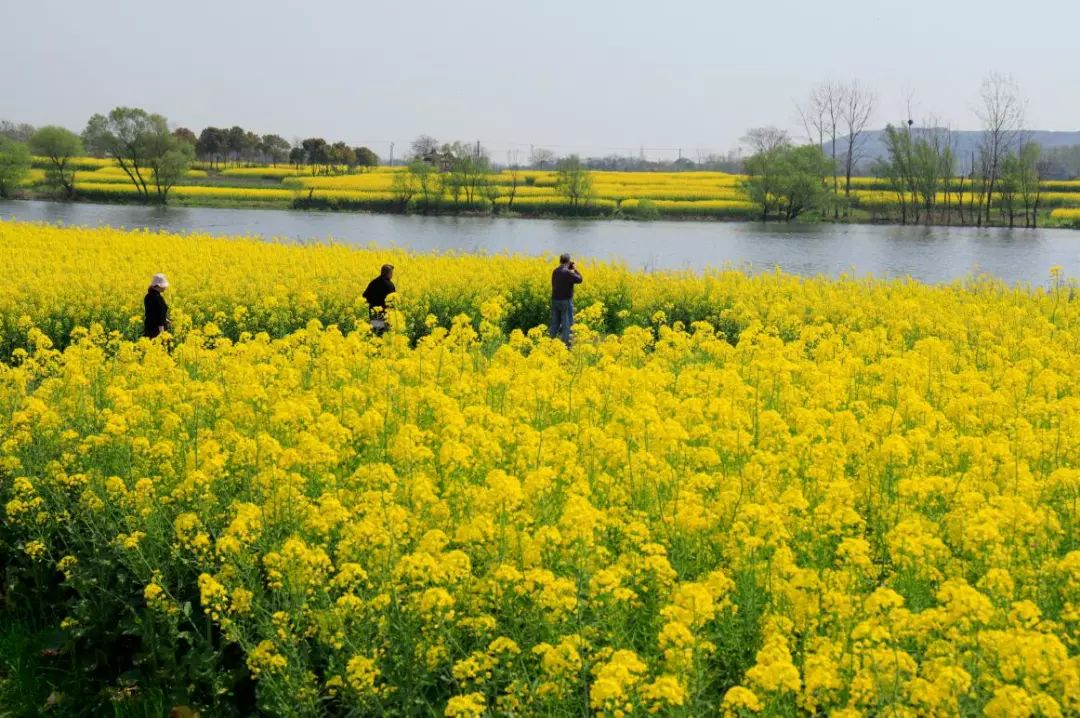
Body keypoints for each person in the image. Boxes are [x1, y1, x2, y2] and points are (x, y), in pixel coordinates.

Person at [550, 253, 582, 346]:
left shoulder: (555, 271)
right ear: (568, 262)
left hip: (555, 300)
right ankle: (566, 346)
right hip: (565, 301)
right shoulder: (567, 273)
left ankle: (549, 343)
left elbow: (553, 284)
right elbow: (580, 279)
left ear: (560, 261)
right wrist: (575, 269)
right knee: (567, 324)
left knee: (555, 323)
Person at [362, 264, 396, 334]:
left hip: (375, 314)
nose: (392, 275)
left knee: (377, 334)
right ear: (388, 273)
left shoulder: (373, 282)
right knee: (385, 336)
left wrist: (372, 302)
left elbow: (364, 296)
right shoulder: (390, 285)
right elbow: (393, 300)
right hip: (386, 316)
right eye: (391, 273)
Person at [143, 273, 170, 338]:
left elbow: (152, 313)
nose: (165, 287)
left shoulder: (147, 296)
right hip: (157, 331)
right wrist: (162, 334)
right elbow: (159, 318)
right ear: (158, 286)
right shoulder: (158, 298)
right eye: (163, 286)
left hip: (148, 329)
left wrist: (165, 319)